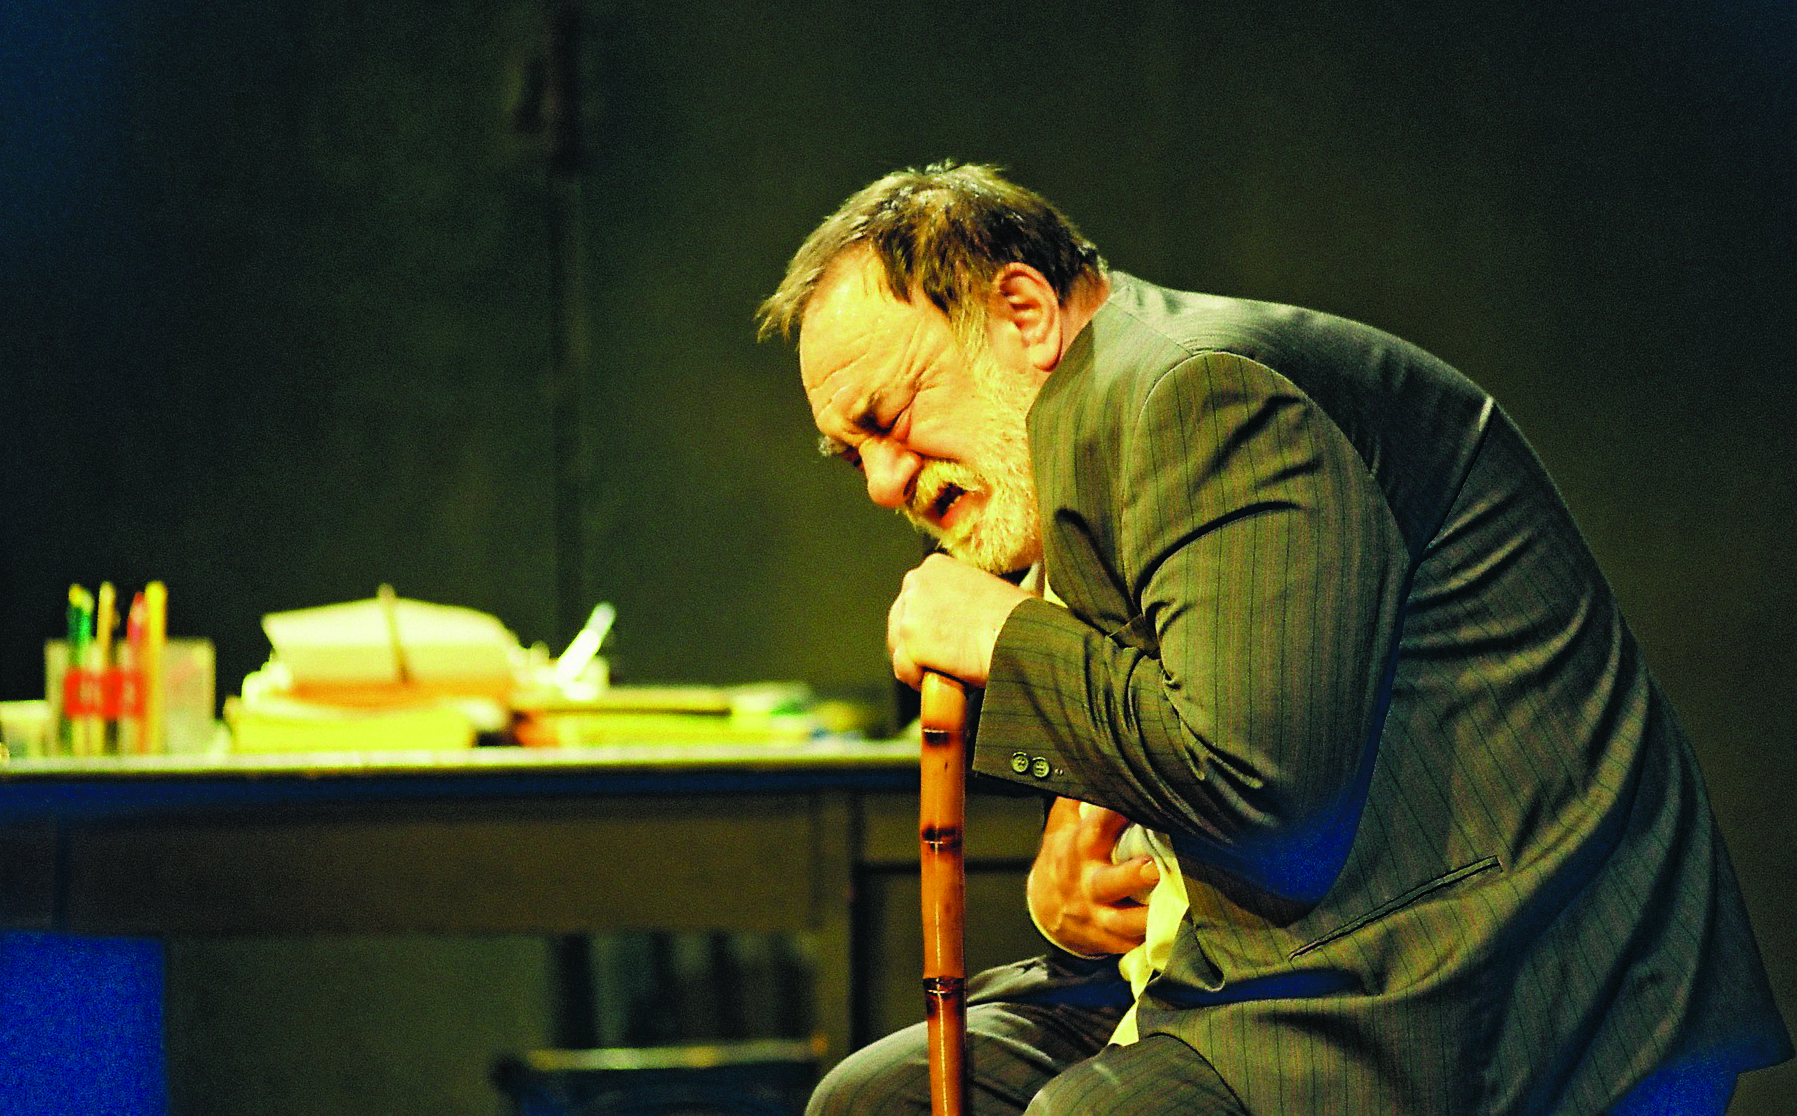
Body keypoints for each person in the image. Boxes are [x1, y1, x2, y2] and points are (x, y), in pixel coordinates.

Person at [759, 163, 1792, 1114]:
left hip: (1479, 973)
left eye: (888, 416)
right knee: (876, 1100)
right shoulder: (1075, 436)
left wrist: (1005, 638)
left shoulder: (1201, 395)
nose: (884, 482)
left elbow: (1266, 791)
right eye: (852, 456)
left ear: (1022, 312)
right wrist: (1069, 884)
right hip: (1262, 961)